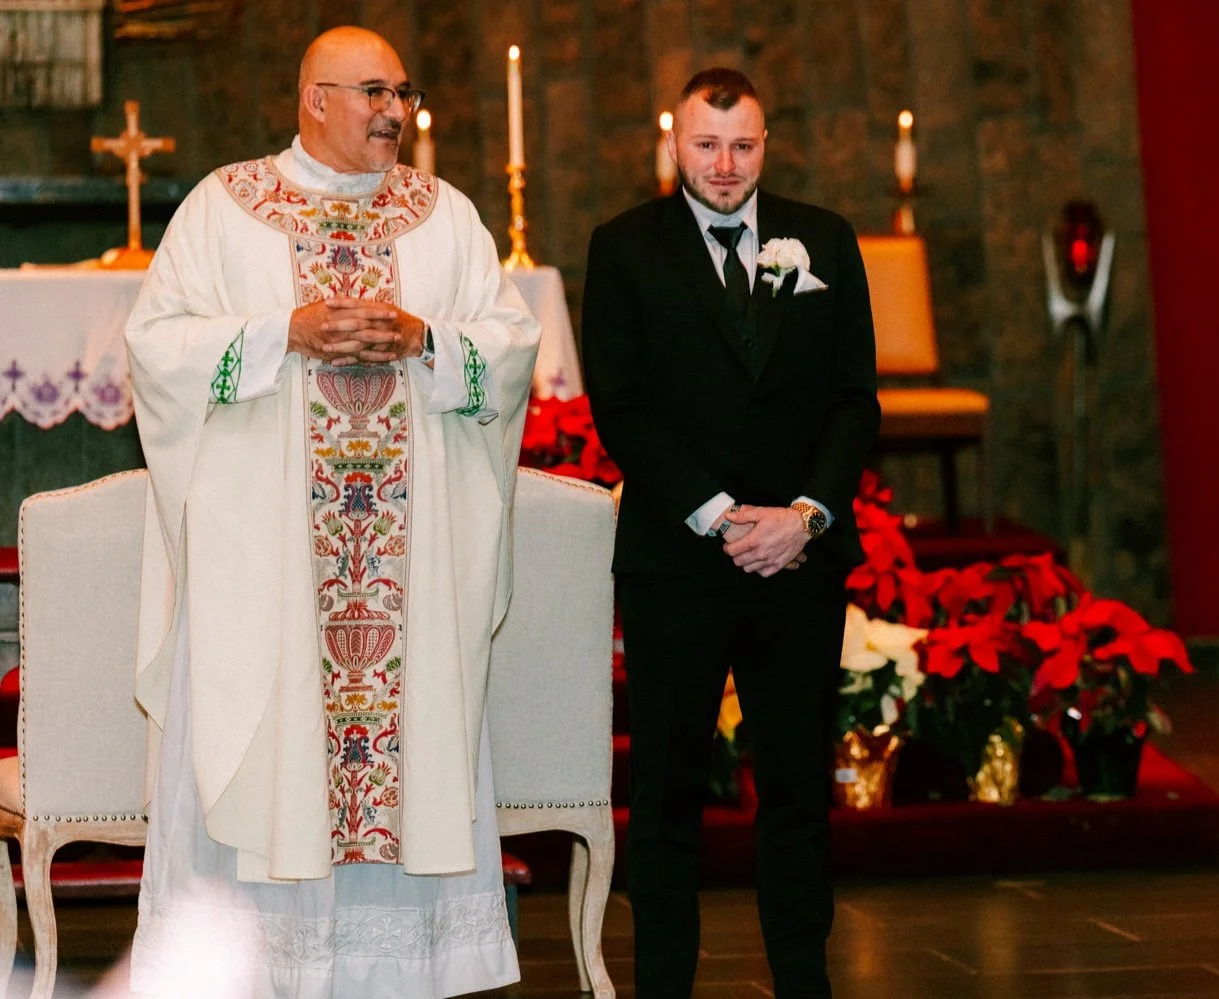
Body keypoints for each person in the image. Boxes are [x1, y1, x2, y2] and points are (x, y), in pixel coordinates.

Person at [124, 25, 539, 997]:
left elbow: (511, 344)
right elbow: (157, 347)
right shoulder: (225, 208)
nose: (395, 112)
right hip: (268, 572)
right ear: (314, 100)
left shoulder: (443, 215)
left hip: (407, 578)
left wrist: (427, 339)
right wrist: (286, 333)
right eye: (373, 93)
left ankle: (394, 975)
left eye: (402, 93)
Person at [582, 67, 880, 998]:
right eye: (706, 144)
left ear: (765, 146)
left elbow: (854, 401)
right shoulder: (623, 247)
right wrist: (717, 515)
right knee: (667, 795)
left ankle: (804, 984)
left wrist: (804, 516)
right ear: (673, 142)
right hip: (678, 561)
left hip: (798, 560)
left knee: (796, 793)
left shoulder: (824, 238)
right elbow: (622, 405)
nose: (724, 163)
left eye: (742, 145)